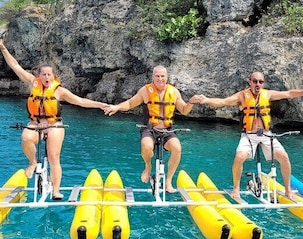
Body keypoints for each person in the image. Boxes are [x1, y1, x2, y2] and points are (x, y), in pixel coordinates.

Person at [0, 36, 108, 200]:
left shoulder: (59, 91)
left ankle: (56, 190)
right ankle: (32, 163)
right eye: (43, 74)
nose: (46, 77)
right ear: (39, 75)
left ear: (53, 76)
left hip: (54, 125)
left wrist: (99, 104)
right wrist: (2, 47)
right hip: (35, 123)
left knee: (53, 157)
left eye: (49, 74)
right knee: (26, 137)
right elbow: (15, 65)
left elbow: (80, 101)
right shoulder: (32, 82)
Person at [190, 71, 303, 199]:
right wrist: (206, 100)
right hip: (249, 135)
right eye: (255, 81)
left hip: (266, 134)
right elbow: (223, 102)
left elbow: (289, 93)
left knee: (284, 157)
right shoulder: (242, 96)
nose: (258, 84)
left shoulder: (268, 94)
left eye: (260, 82)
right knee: (239, 157)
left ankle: (288, 191)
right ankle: (236, 190)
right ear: (250, 82)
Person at [104, 65, 195, 193]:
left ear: (167, 77)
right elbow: (130, 103)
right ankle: (148, 166)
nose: (160, 78)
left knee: (177, 148)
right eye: (157, 76)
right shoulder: (145, 91)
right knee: (146, 145)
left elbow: (185, 110)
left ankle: (168, 181)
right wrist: (117, 107)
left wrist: (191, 102)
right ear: (153, 77)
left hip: (167, 130)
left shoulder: (174, 92)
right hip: (149, 129)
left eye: (162, 76)